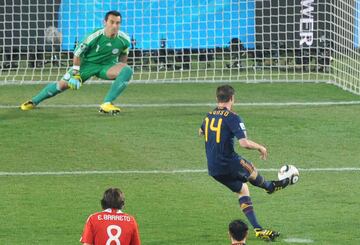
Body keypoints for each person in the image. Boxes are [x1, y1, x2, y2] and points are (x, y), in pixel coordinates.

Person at [199, 85, 289, 241]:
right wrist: (260, 147)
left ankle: (259, 230)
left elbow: (200, 132)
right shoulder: (232, 117)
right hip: (228, 162)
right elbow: (244, 143)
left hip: (213, 168)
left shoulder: (209, 116)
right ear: (232, 98)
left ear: (217, 99)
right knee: (251, 169)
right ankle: (270, 187)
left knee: (243, 190)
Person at [20, 10, 133, 115]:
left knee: (127, 69)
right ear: (105, 22)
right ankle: (33, 102)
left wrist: (121, 72)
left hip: (107, 66)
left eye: (117, 23)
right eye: (112, 22)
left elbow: (123, 55)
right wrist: (76, 74)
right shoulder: (94, 36)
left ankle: (107, 103)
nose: (114, 26)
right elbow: (77, 53)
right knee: (62, 85)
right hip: (87, 65)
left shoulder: (125, 39)